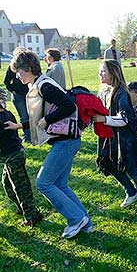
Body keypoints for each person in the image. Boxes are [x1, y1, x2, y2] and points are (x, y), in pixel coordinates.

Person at [6, 50, 93, 239]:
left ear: (28, 68)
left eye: (19, 71)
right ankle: (85, 222)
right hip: (67, 141)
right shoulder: (40, 84)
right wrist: (20, 125)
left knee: (43, 183)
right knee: (60, 184)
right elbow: (38, 119)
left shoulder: (44, 86)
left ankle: (76, 219)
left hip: (66, 141)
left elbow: (69, 107)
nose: (18, 75)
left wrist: (47, 119)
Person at [94, 60, 137, 214]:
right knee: (110, 165)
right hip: (112, 138)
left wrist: (105, 119)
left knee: (133, 170)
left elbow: (125, 119)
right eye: (100, 71)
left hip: (127, 140)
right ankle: (131, 192)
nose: (100, 74)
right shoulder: (106, 90)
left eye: (103, 71)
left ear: (113, 73)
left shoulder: (121, 93)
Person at [0, 88, 42, 227]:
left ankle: (32, 215)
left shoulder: (4, 117)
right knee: (7, 185)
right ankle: (22, 207)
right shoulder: (6, 114)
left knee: (21, 187)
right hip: (7, 155)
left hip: (14, 155)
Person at [4, 48, 31, 142]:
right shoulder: (12, 67)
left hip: (29, 93)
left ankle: (34, 136)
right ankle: (28, 137)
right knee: (24, 116)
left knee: (31, 115)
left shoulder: (27, 66)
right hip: (18, 95)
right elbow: (6, 82)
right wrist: (13, 90)